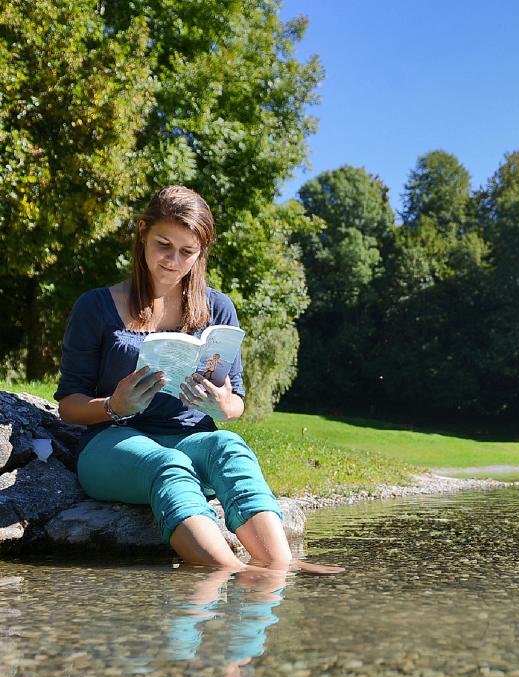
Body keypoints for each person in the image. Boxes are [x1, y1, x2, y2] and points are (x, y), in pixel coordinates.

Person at [55, 185, 340, 573]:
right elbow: (68, 406)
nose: (173, 260)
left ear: (201, 253)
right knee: (167, 463)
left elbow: (236, 402)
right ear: (142, 232)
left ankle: (279, 565)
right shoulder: (96, 306)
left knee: (231, 447)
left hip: (193, 438)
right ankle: (234, 572)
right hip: (111, 444)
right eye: (163, 245)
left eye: (187, 251)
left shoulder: (217, 308)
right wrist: (112, 405)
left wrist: (222, 404)